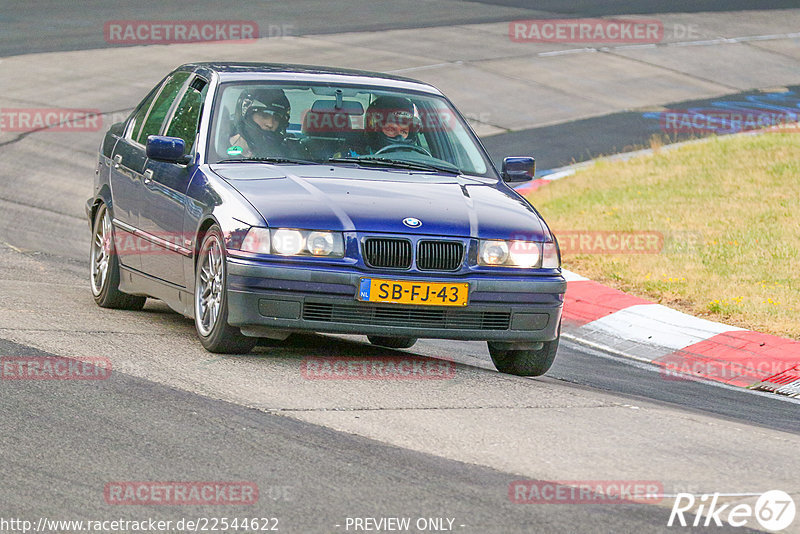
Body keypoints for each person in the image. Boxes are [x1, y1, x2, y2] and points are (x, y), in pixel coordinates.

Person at [228, 88, 292, 158]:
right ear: (247, 115)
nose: (270, 124)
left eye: (276, 118)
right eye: (264, 115)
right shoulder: (218, 149)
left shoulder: (286, 155)